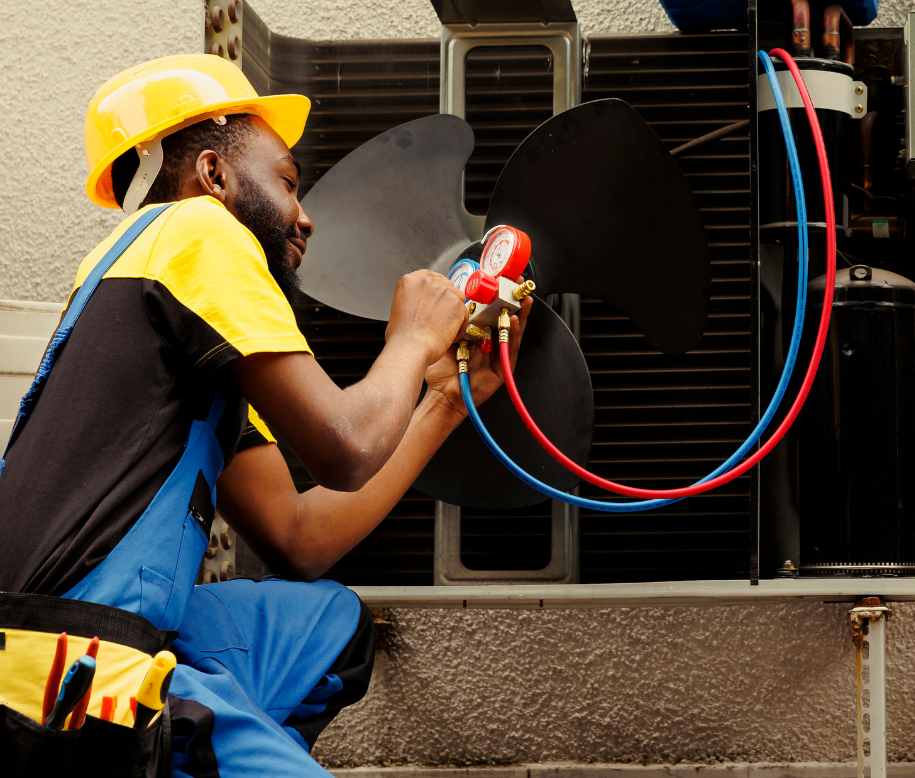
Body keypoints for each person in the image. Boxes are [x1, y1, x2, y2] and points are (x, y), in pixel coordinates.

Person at [0, 53, 529, 776]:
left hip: (69, 644)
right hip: (65, 673)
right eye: (286, 181)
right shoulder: (196, 231)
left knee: (328, 625)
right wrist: (410, 338)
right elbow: (345, 446)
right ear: (213, 175)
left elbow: (299, 537)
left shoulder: (159, 304)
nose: (305, 217)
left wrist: (442, 398)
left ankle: (214, 743)